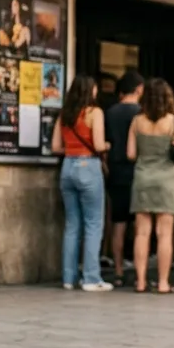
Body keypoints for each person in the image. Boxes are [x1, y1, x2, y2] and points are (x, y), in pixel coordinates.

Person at [50, 76, 112, 292]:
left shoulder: (65, 115)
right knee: (94, 224)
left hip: (67, 167)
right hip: (89, 166)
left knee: (72, 225)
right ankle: (91, 278)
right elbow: (97, 144)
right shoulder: (95, 113)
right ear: (90, 91)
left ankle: (68, 278)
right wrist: (107, 144)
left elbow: (56, 147)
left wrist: (73, 149)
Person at [127, 78, 174, 294]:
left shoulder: (137, 121)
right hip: (167, 179)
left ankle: (141, 281)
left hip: (143, 178)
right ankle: (163, 282)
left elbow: (131, 154)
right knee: (164, 234)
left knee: (142, 233)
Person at [105, 71, 144, 285]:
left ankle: (118, 270)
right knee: (141, 225)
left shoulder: (110, 112)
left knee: (118, 223)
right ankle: (141, 273)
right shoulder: (142, 114)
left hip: (116, 170)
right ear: (139, 89)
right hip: (138, 170)